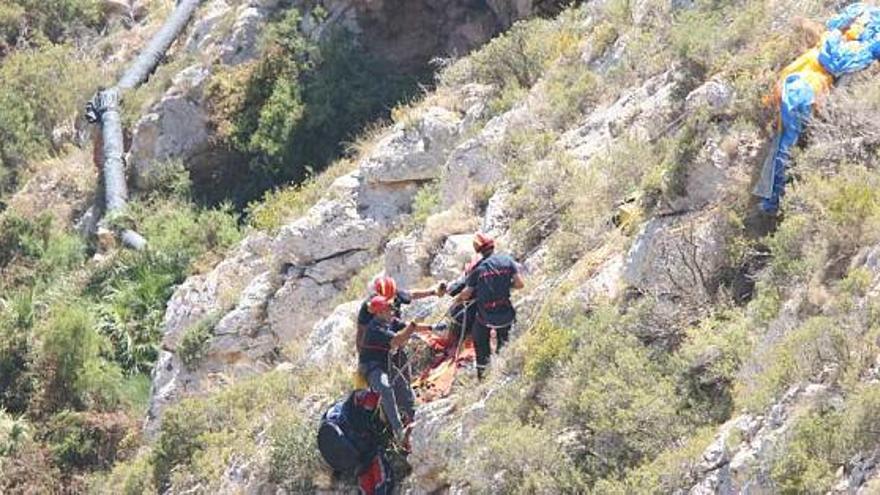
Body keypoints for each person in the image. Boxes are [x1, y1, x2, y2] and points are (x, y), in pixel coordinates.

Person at [359, 295, 433, 446]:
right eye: (388, 310)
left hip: (384, 364)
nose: (392, 312)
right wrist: (411, 328)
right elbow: (397, 340)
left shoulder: (388, 322)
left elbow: (406, 327)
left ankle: (415, 419)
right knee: (386, 389)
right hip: (371, 367)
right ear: (379, 313)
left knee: (403, 387)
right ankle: (399, 432)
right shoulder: (375, 329)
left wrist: (432, 328)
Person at [455, 232, 525, 380]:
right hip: (506, 314)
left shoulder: (478, 269)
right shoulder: (507, 261)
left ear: (478, 250)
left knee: (480, 342)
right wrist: (506, 285)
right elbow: (520, 284)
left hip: (486, 317)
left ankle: (484, 377)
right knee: (504, 343)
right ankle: (504, 372)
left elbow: (467, 294)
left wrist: (458, 300)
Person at [317, 389, 394, 495]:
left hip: (357, 449)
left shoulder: (349, 408)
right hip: (358, 449)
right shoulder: (358, 404)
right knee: (372, 474)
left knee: (373, 477)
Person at [356, 275, 445, 352]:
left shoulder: (396, 295)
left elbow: (412, 294)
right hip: (382, 341)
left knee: (423, 340)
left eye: (392, 299)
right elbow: (361, 331)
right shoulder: (368, 308)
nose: (390, 304)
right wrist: (361, 352)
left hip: (396, 331)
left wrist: (433, 292)